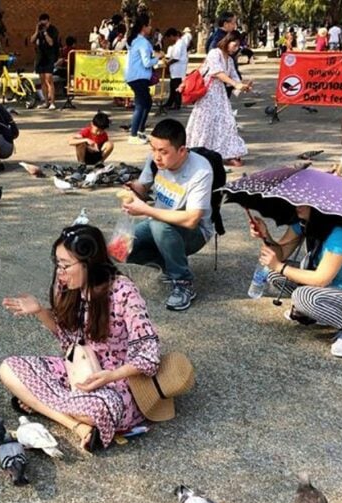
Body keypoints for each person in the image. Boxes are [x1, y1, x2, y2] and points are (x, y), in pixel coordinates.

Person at [0, 225, 162, 451]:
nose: (60, 272)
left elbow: (150, 354)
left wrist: (110, 376)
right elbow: (68, 341)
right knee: (9, 368)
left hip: (115, 384)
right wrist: (39, 311)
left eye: (65, 265)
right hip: (78, 369)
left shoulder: (123, 291)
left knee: (98, 410)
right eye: (57, 263)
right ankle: (76, 425)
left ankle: (40, 401)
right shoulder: (70, 287)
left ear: (89, 263)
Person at [250, 206, 342, 358]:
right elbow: (280, 254)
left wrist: (279, 266)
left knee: (304, 296)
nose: (297, 205)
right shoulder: (304, 224)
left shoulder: (341, 232)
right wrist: (265, 236)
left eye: (304, 201)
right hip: (332, 288)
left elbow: (321, 279)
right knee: (274, 274)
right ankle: (319, 312)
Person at [122, 119, 213, 312]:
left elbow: (191, 219)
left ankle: (183, 282)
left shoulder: (200, 170)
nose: (156, 156)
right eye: (153, 149)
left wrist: (145, 210)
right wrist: (132, 190)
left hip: (194, 233)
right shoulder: (155, 161)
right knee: (121, 248)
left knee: (158, 224)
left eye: (163, 152)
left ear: (182, 151)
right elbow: (143, 187)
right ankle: (167, 264)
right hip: (158, 222)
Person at [184, 31, 251, 167]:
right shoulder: (215, 53)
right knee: (204, 123)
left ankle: (228, 153)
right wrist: (235, 84)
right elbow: (217, 72)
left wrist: (242, 86)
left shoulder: (230, 60)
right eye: (235, 44)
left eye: (238, 46)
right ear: (228, 41)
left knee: (227, 122)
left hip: (220, 95)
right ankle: (197, 150)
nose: (236, 48)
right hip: (208, 94)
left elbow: (233, 77)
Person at [124, 13, 160, 145]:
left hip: (136, 76)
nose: (151, 28)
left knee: (147, 102)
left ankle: (139, 131)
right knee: (140, 105)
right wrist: (158, 58)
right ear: (144, 27)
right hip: (138, 77)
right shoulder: (142, 42)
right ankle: (133, 134)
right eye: (149, 25)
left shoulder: (135, 41)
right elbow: (146, 62)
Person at [31, 13, 60, 110]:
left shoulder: (53, 30)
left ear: (48, 21)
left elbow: (51, 42)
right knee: (42, 81)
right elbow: (32, 40)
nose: (43, 25)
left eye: (45, 23)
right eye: (41, 23)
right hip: (40, 58)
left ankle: (52, 102)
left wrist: (45, 32)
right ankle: (46, 102)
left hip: (49, 57)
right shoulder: (39, 30)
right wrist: (37, 31)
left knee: (49, 80)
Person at [162, 28, 187, 111]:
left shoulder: (180, 43)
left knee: (176, 87)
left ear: (172, 36)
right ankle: (170, 102)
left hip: (178, 69)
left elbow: (176, 58)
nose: (169, 40)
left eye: (169, 38)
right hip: (175, 69)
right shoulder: (177, 44)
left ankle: (177, 103)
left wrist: (168, 63)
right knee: (173, 86)